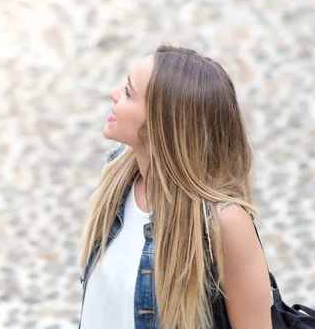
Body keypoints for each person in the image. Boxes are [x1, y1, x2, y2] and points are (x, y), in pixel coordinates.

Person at [78, 46, 272, 328]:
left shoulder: (224, 222)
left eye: (129, 93)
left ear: (162, 124)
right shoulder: (118, 174)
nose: (114, 93)